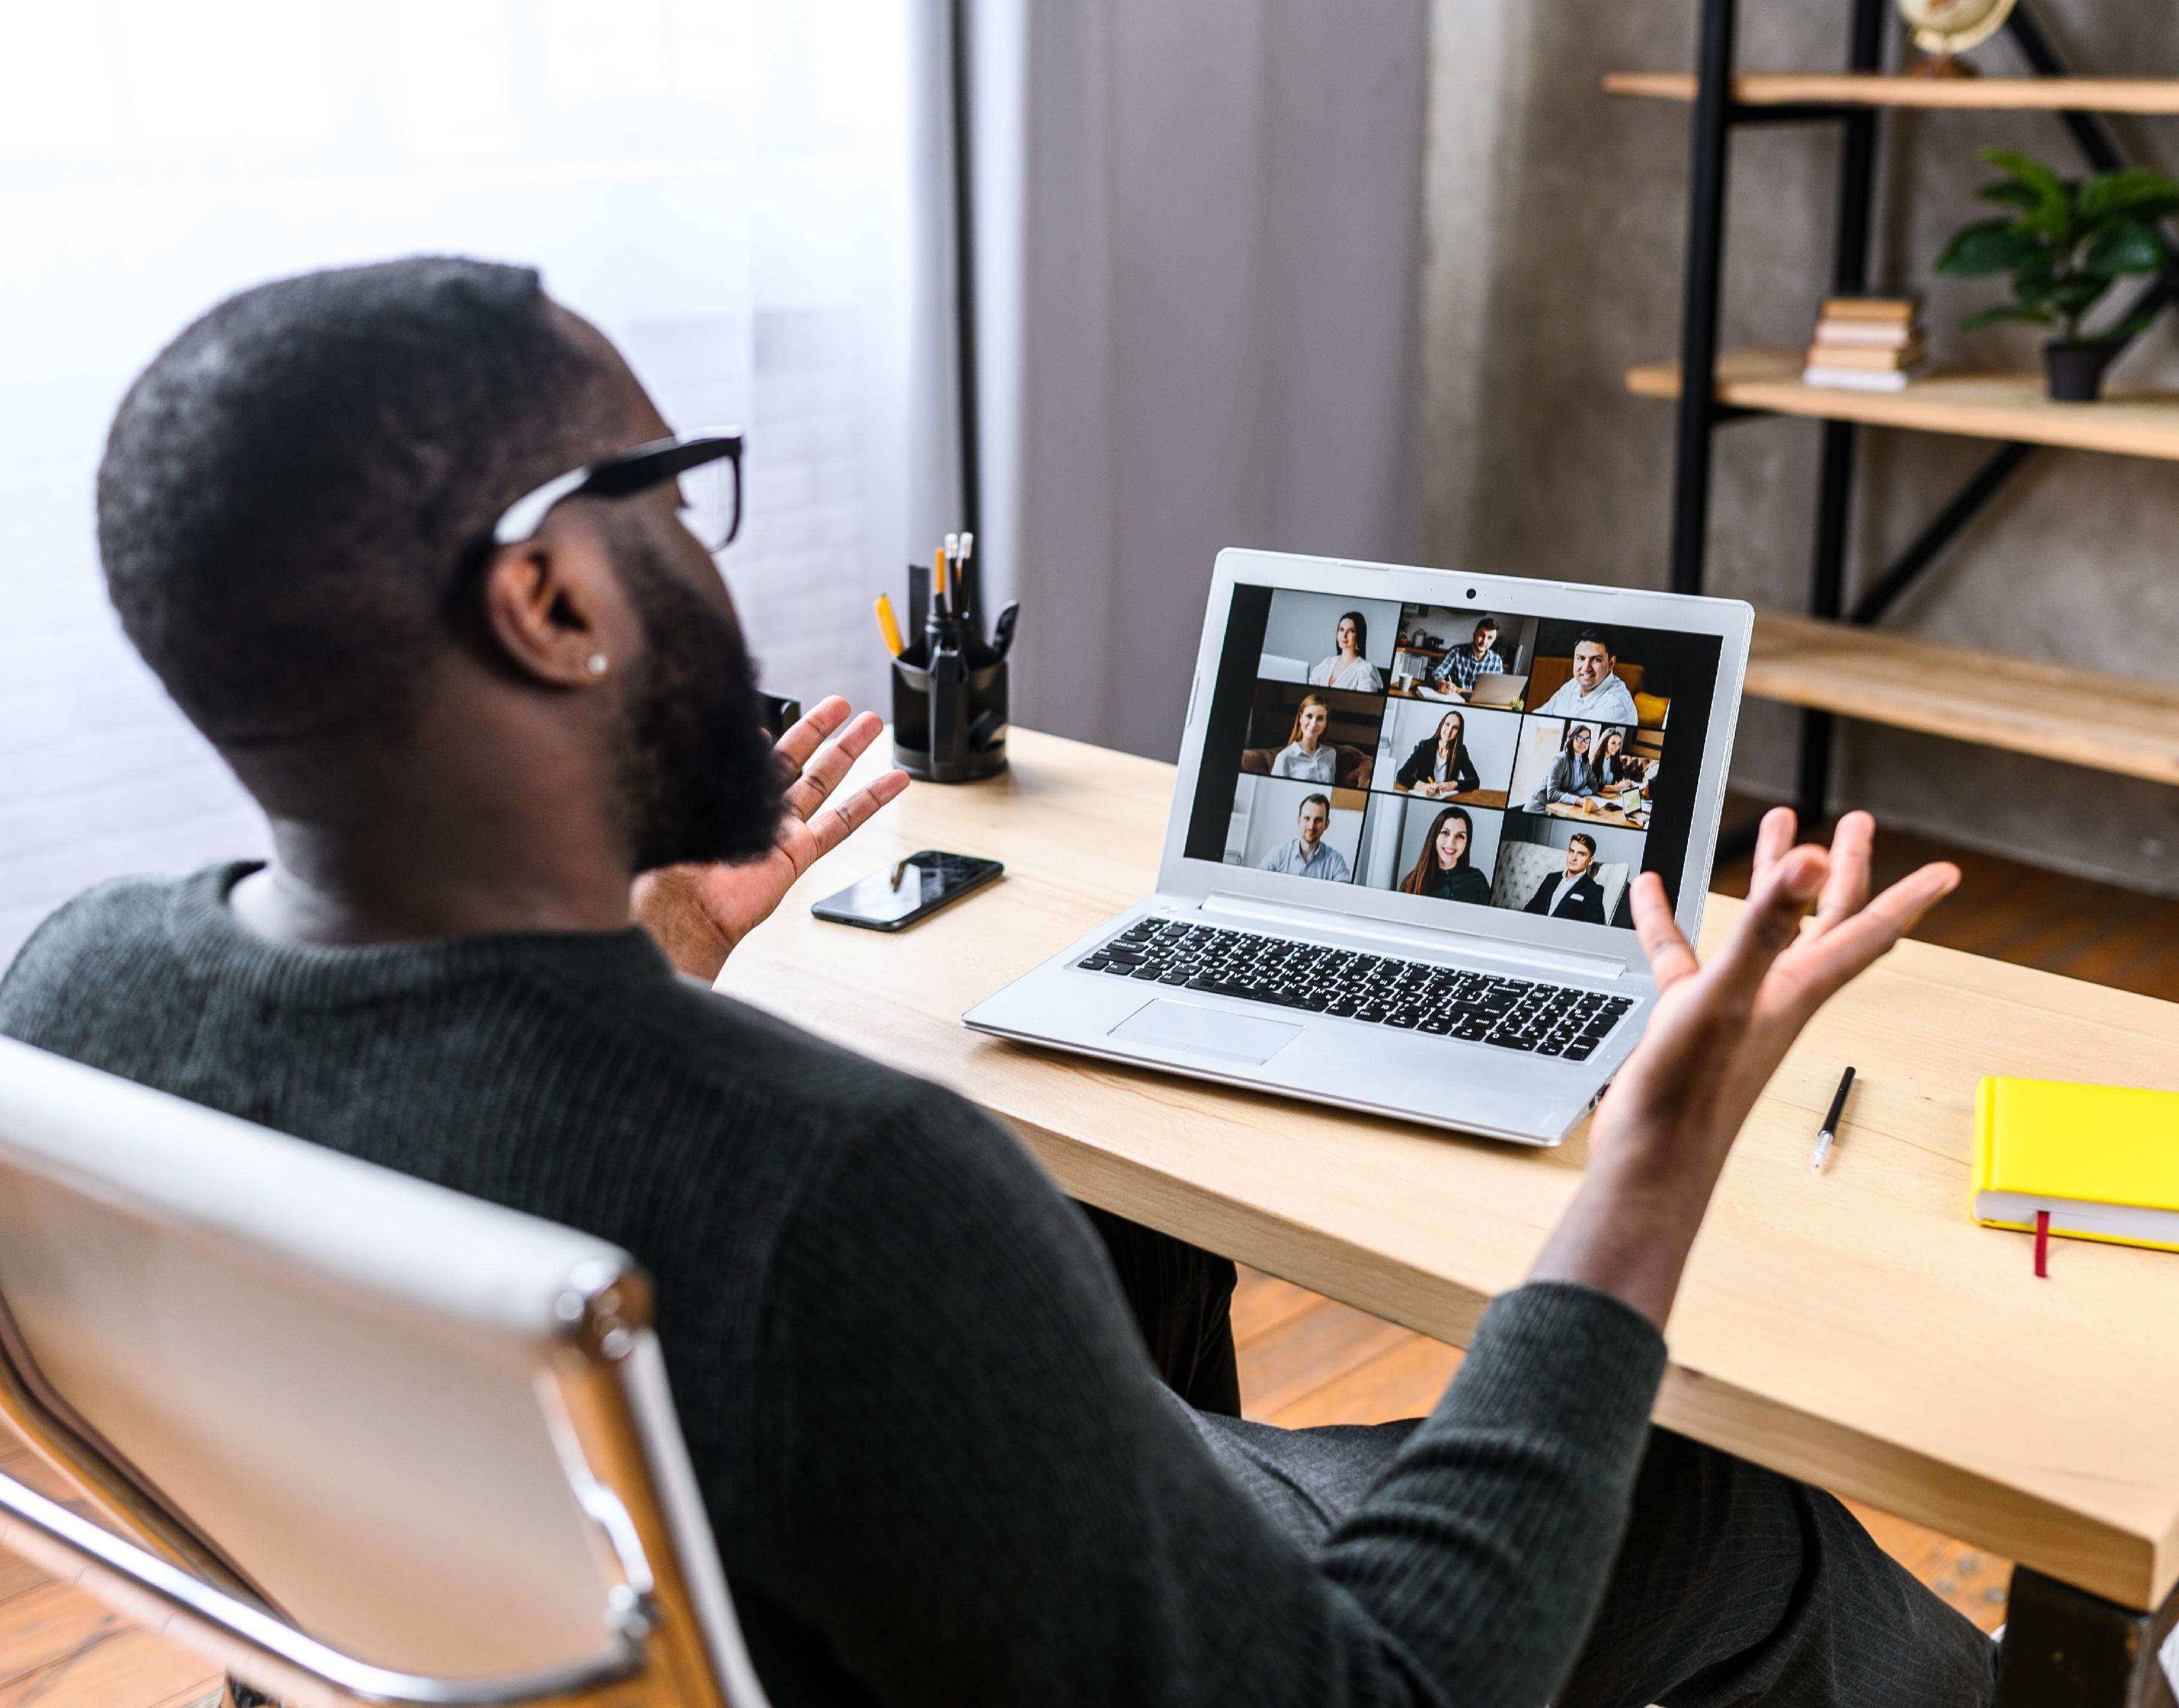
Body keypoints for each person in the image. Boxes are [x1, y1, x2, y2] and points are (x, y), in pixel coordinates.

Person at [0, 258, 1992, 1708]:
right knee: (1735, 1503)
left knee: (1119, 1246)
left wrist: (671, 947)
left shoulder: (76, 997)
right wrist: (1649, 1152)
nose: (705, 552)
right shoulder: (837, 1194)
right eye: (671, 499)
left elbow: (489, 1111)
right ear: (546, 602)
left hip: (619, 1623)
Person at [1538, 629, 1640, 725]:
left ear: (1611, 663)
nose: (1586, 668)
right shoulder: (1573, 684)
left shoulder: (1614, 706)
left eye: (1596, 659)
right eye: (1581, 658)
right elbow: (1536, 719)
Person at [1395, 805, 1493, 904]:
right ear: (1435, 837)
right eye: (1445, 833)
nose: (1451, 843)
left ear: (1467, 842)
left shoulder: (1478, 881)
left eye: (1460, 836)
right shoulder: (1411, 883)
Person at [1256, 793, 1351, 882]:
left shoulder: (1336, 862)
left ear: (1327, 825)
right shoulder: (1278, 854)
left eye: (1318, 820)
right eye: (1307, 818)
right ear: (1299, 821)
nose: (1311, 826)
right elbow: (1256, 882)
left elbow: (1343, 896)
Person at [1524, 833, 1613, 924]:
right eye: (1571, 851)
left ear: (1590, 861)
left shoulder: (1594, 890)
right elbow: (1530, 909)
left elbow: (1593, 928)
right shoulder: (1552, 878)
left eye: (1581, 854)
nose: (1573, 858)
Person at [1394, 708, 1479, 798]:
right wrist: (1423, 787)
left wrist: (1455, 784)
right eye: (1447, 724)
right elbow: (1401, 775)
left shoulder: (1461, 752)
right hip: (1424, 797)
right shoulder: (1425, 746)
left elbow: (1475, 781)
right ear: (1442, 725)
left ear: (1459, 733)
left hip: (1446, 798)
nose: (1449, 730)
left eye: (1455, 728)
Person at [1421, 614, 1509, 699]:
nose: (1484, 641)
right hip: (1455, 700)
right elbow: (1436, 673)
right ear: (1475, 634)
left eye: (1490, 638)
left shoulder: (1497, 661)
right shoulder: (1456, 652)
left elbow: (1497, 690)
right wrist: (1441, 684)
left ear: (1494, 641)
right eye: (1482, 635)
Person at [1532, 723, 1604, 813]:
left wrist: (1578, 794)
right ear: (1571, 739)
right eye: (1579, 738)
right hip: (1542, 808)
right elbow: (1552, 793)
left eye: (1587, 739)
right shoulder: (1560, 760)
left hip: (1563, 807)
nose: (1584, 742)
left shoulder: (1585, 762)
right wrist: (1579, 801)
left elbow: (1594, 785)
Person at [1307, 609, 1384, 692]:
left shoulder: (1365, 670)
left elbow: (1365, 702)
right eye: (1342, 630)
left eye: (1351, 631)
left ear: (1359, 636)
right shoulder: (1328, 663)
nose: (1344, 635)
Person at [1268, 694, 1338, 783]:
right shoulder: (1284, 757)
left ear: (1325, 723)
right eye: (1309, 716)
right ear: (1301, 718)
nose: (1313, 724)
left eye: (1320, 718)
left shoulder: (1331, 754)